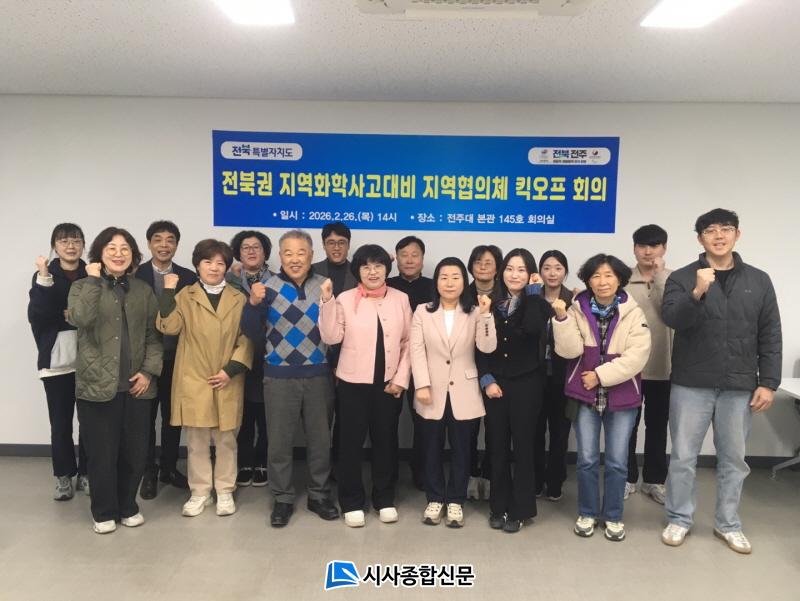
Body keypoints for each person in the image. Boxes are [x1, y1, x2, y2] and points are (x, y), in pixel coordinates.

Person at [660, 209, 782, 554]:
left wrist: (768, 382)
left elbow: (770, 333)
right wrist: (697, 292)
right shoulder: (683, 277)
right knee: (683, 457)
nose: (718, 236)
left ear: (737, 235)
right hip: (691, 382)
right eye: (710, 231)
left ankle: (728, 524)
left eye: (725, 229)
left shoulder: (759, 280)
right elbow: (672, 318)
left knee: (734, 460)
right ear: (700, 238)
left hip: (739, 385)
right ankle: (679, 518)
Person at [241, 229, 339, 527]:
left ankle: (318, 495)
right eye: (288, 253)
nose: (295, 259)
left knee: (320, 441)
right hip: (279, 377)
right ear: (280, 256)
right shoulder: (265, 287)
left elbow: (335, 331)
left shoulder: (325, 285)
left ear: (311, 255)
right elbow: (251, 332)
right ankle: (282, 498)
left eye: (301, 252)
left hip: (318, 375)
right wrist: (252, 304)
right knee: (279, 443)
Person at [67, 227, 162, 534]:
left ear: (134, 255)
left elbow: (154, 336)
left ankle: (128, 506)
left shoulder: (143, 290)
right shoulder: (82, 286)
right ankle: (104, 511)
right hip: (97, 385)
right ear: (99, 253)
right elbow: (81, 318)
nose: (118, 254)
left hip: (137, 387)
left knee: (135, 453)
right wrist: (94, 280)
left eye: (125, 248)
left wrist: (148, 371)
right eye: (111, 248)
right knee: (102, 454)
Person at [552, 254, 651, 542]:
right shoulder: (576, 308)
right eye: (596, 276)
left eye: (609, 275)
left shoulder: (633, 311)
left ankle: (614, 516)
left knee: (618, 462)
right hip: (585, 397)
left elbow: (637, 356)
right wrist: (561, 319)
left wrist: (599, 375)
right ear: (588, 281)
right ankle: (587, 513)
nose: (602, 281)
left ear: (619, 279)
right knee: (586, 460)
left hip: (622, 398)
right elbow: (569, 351)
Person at [157, 239, 252, 518]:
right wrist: (168, 291)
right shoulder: (185, 295)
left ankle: (224, 490)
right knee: (197, 441)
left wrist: (230, 370)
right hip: (194, 377)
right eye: (207, 262)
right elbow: (169, 326)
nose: (214, 267)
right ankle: (200, 492)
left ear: (227, 267)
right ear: (197, 265)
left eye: (220, 263)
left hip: (227, 377)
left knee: (226, 439)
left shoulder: (238, 298)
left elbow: (246, 339)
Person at [319, 244, 411, 527]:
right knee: (350, 444)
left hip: (388, 385)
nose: (373, 272)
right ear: (357, 270)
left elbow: (409, 342)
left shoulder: (401, 298)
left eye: (378, 266)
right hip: (352, 384)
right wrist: (327, 301)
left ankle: (384, 498)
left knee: (386, 442)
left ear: (387, 269)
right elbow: (331, 337)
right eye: (366, 266)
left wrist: (401, 379)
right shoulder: (345, 299)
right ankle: (351, 501)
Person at [411, 258, 496, 528]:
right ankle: (435, 498)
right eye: (444, 277)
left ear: (464, 281)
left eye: (456, 277)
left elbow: (487, 347)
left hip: (465, 390)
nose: (449, 283)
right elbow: (416, 350)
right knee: (430, 448)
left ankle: (457, 499)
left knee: (462, 449)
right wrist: (421, 384)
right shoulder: (423, 311)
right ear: (436, 281)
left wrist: (486, 315)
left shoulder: (475, 312)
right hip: (431, 391)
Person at [476, 249, 551, 533]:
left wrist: (533, 293)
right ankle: (498, 506)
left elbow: (532, 329)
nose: (514, 275)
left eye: (521, 270)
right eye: (509, 268)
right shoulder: (490, 303)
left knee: (523, 447)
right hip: (496, 383)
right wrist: (486, 379)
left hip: (527, 385)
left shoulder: (538, 304)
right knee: (496, 446)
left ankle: (521, 509)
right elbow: (479, 344)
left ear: (530, 274)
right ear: (501, 272)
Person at [28, 223, 89, 501]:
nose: (70, 246)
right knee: (61, 423)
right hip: (57, 360)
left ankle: (86, 473)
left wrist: (70, 313)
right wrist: (44, 276)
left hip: (90, 360)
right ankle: (64, 476)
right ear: (55, 245)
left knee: (90, 423)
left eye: (76, 240)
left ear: (83, 244)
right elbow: (39, 315)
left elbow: (96, 314)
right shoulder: (44, 276)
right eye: (64, 241)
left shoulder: (92, 273)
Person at [136, 220, 196, 500]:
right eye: (158, 239)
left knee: (173, 416)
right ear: (149, 244)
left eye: (170, 240)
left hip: (177, 357)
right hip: (144, 359)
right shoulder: (136, 275)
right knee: (145, 418)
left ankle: (169, 468)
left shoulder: (188, 277)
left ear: (176, 245)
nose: (164, 245)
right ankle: (148, 471)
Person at [624, 224, 672, 504]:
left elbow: (672, 311)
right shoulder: (623, 280)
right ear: (634, 248)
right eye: (642, 245)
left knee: (657, 426)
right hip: (629, 367)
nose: (647, 251)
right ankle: (627, 477)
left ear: (664, 248)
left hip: (662, 366)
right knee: (627, 425)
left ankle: (654, 480)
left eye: (654, 245)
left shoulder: (674, 279)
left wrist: (660, 276)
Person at [387, 235, 434, 490]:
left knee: (423, 421)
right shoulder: (386, 285)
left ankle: (422, 473)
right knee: (387, 421)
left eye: (415, 255)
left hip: (425, 363)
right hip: (392, 363)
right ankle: (389, 474)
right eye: (403, 255)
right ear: (396, 259)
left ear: (422, 259)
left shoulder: (434, 287)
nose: (409, 260)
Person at [227, 230, 272, 488]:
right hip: (235, 355)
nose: (252, 251)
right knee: (241, 414)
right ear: (238, 253)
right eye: (246, 247)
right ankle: (244, 462)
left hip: (266, 355)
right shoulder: (228, 280)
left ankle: (262, 461)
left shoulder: (277, 281)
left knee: (266, 415)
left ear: (265, 253)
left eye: (257, 247)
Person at [312, 222, 357, 470]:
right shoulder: (312, 271)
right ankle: (320, 470)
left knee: (347, 418)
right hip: (318, 354)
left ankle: (341, 468)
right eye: (331, 243)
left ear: (348, 245)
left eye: (341, 243)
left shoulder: (359, 271)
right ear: (323, 245)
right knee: (319, 419)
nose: (336, 247)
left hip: (352, 355)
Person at [534, 250, 575, 502]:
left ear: (565, 272)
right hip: (535, 377)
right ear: (540, 272)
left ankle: (556, 480)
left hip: (564, 377)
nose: (552, 273)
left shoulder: (575, 300)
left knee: (560, 432)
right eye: (547, 267)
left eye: (558, 268)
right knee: (535, 431)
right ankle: (536, 480)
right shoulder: (531, 298)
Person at [465, 244, 503, 501]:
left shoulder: (507, 295)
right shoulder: (461, 294)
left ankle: (489, 476)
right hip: (466, 369)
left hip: (497, 372)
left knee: (494, 429)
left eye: (488, 262)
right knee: (468, 429)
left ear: (497, 267)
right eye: (478, 262)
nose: (483, 266)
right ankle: (469, 475)